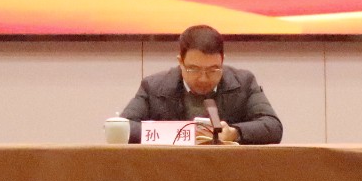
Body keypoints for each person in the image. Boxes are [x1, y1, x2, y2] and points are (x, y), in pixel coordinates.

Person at [118, 24, 282, 144]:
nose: (203, 79)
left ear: (222, 61)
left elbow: (273, 126)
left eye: (213, 69)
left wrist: (234, 133)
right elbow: (123, 128)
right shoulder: (154, 86)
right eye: (194, 69)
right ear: (180, 62)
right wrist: (181, 133)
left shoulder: (244, 83)